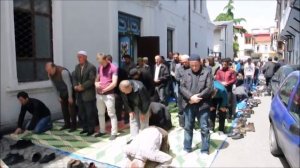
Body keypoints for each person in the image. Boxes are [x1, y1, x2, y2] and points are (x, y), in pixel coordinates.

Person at [179, 54, 213, 155]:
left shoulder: (207, 73)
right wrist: (191, 97)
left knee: (204, 128)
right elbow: (182, 87)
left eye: (196, 65)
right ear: (189, 64)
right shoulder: (185, 73)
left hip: (203, 105)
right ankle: (187, 147)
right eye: (192, 65)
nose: (194, 67)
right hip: (189, 104)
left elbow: (209, 88)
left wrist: (198, 97)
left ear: (200, 63)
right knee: (188, 127)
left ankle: (205, 149)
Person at [45, 62, 77, 132]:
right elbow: (54, 86)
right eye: (47, 71)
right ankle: (67, 124)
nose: (49, 72)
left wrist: (70, 97)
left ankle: (74, 126)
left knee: (71, 110)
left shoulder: (63, 72)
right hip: (62, 93)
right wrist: (57, 96)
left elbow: (69, 85)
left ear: (54, 67)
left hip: (69, 91)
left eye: (50, 70)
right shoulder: (50, 74)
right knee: (64, 109)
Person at [73, 50, 97, 136]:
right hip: (79, 95)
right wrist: (75, 86)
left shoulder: (91, 67)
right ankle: (85, 128)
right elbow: (74, 77)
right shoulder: (77, 67)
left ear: (85, 57)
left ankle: (91, 129)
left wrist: (82, 86)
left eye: (80, 57)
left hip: (88, 94)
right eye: (78, 57)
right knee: (81, 112)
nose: (79, 59)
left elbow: (91, 80)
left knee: (89, 113)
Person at [94, 53, 118, 140]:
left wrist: (105, 90)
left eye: (101, 62)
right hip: (99, 94)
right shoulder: (100, 67)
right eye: (99, 62)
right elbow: (96, 80)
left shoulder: (113, 68)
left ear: (105, 60)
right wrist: (96, 84)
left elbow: (114, 83)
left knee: (111, 114)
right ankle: (102, 131)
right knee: (100, 113)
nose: (100, 64)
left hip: (108, 95)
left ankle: (114, 133)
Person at [175, 54, 190, 127]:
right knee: (181, 108)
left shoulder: (192, 68)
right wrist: (183, 81)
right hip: (181, 91)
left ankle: (189, 123)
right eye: (182, 62)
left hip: (190, 92)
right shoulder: (179, 69)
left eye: (185, 62)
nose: (183, 63)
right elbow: (177, 78)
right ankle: (182, 124)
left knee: (189, 109)